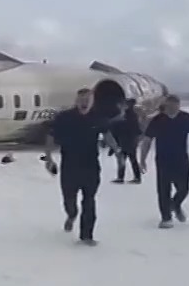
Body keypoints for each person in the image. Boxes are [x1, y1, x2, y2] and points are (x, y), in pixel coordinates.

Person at [37, 87, 108, 245]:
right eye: (81, 100)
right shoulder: (65, 118)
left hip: (91, 166)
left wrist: (117, 151)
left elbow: (107, 133)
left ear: (92, 101)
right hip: (70, 167)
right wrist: (48, 158)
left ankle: (87, 235)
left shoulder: (98, 118)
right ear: (76, 101)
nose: (84, 103)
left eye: (87, 100)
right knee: (69, 199)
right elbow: (51, 136)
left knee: (89, 200)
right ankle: (71, 214)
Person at [137, 94, 189, 228]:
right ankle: (166, 217)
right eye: (170, 106)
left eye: (175, 106)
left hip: (181, 158)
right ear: (166, 106)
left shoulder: (186, 118)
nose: (172, 108)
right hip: (163, 159)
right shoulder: (158, 120)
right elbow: (147, 140)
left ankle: (175, 204)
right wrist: (142, 159)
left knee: (184, 188)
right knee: (163, 189)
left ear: (179, 105)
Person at [111, 100, 144, 184]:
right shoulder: (131, 115)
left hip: (127, 140)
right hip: (129, 140)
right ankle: (135, 177)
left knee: (126, 159)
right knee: (130, 159)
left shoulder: (127, 115)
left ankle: (122, 177)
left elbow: (122, 127)